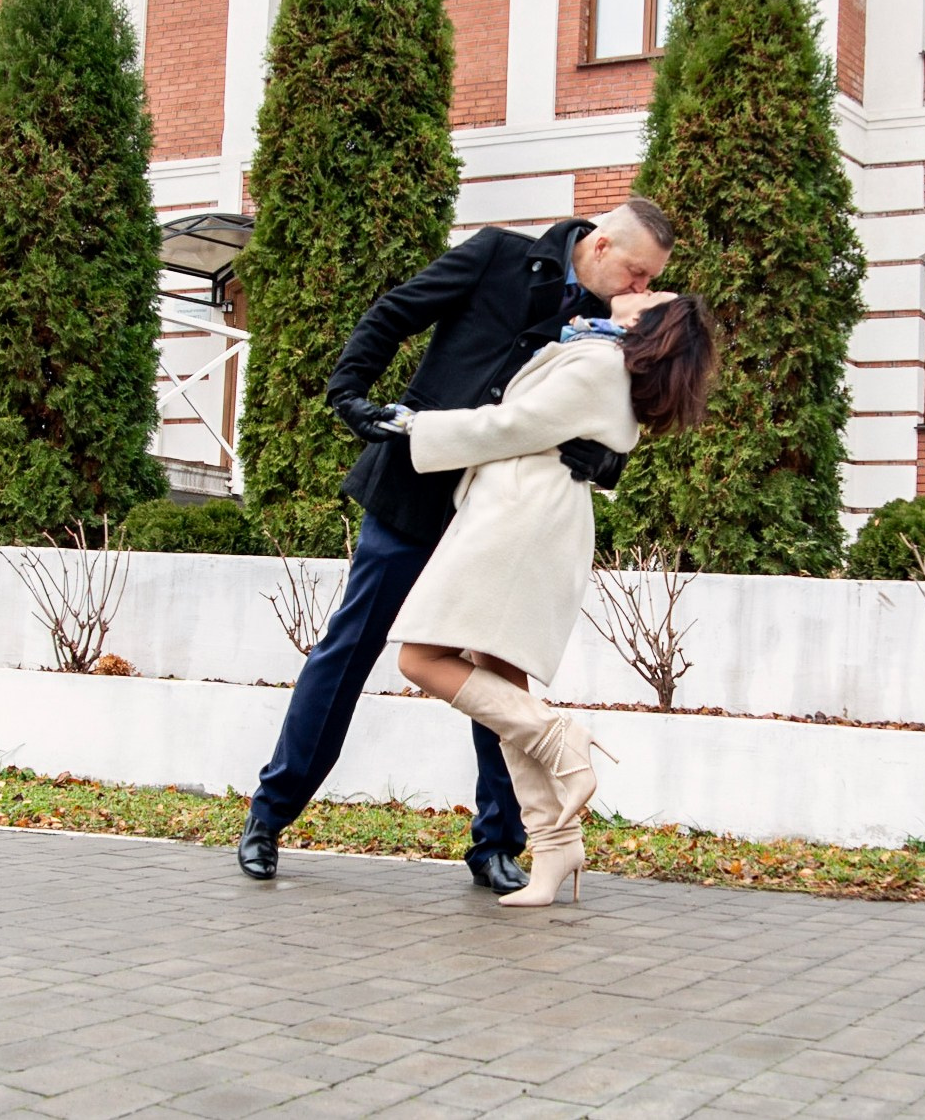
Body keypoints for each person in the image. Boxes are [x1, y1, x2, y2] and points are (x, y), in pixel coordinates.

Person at [239, 201, 675, 892]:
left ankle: (497, 843)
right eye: (636, 271)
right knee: (350, 646)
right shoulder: (499, 254)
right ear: (597, 245)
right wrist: (349, 394)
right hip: (417, 491)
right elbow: (393, 313)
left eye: (650, 280)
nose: (639, 289)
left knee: (499, 674)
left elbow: (607, 412)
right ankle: (269, 815)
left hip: (504, 515)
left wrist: (607, 464)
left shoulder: (616, 327)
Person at [394, 291, 717, 907]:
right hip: (530, 514)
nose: (644, 285)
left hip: (519, 519)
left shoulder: (599, 362)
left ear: (643, 323)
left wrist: (416, 425)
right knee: (500, 680)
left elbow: (512, 424)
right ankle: (554, 840)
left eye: (654, 294)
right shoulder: (596, 354)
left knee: (420, 658)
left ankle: (558, 737)